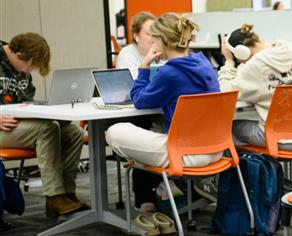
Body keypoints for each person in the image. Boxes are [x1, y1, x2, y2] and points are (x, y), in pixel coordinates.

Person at [105, 13, 221, 168]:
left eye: (155, 39)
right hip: (216, 148)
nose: (153, 43)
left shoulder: (170, 72)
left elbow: (139, 100)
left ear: (164, 40)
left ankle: (153, 174)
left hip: (186, 152)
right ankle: (162, 183)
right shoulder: (203, 62)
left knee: (115, 132)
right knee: (157, 126)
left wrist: (144, 66)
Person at [0, 33, 88, 217]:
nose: (30, 71)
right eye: (29, 65)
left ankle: (67, 193)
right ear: (18, 54)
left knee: (74, 132)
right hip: (2, 128)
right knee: (46, 130)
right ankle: (54, 197)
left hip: (17, 124)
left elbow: (25, 103)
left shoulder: (23, 70)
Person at [218, 23, 292, 146]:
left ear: (241, 52)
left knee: (224, 131)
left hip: (282, 139)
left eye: (238, 60)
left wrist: (229, 62)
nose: (241, 63)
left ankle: (259, 165)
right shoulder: (290, 47)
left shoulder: (255, 65)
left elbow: (224, 92)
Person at [116, 11, 158, 79]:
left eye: (156, 33)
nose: (153, 37)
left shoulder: (162, 52)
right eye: (148, 34)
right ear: (136, 36)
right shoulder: (127, 54)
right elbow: (136, 84)